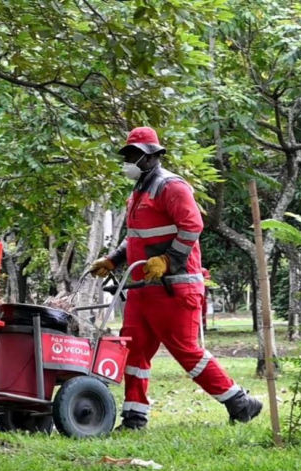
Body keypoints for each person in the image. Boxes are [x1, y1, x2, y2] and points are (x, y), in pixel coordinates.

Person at [90, 127, 262, 430]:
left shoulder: (171, 186)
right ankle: (134, 417)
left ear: (153, 156)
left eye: (135, 155)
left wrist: (170, 260)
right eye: (127, 154)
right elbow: (136, 238)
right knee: (134, 350)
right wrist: (113, 260)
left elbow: (192, 226)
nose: (129, 160)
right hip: (143, 287)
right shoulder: (139, 191)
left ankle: (239, 402)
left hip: (174, 287)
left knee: (186, 351)